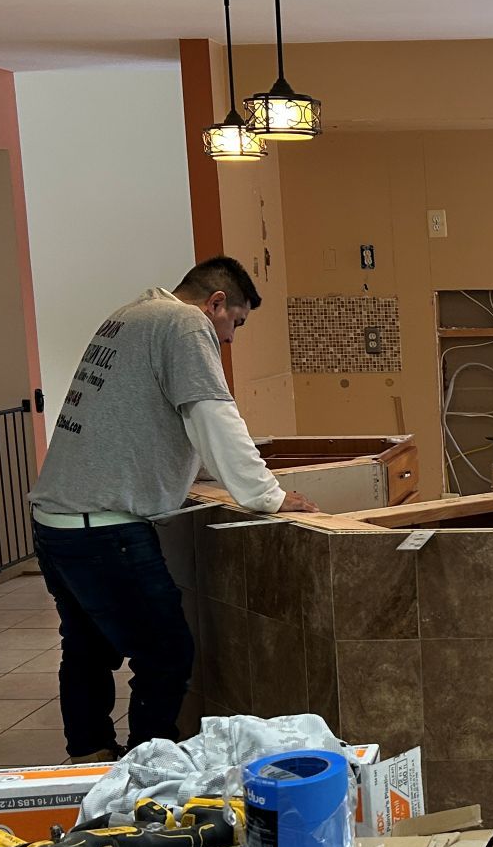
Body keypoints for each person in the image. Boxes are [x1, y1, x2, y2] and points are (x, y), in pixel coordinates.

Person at [27, 257, 318, 762]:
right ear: (217, 303)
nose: (229, 340)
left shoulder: (131, 316)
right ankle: (147, 772)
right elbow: (212, 414)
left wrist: (199, 472)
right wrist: (267, 495)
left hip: (58, 523)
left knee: (87, 648)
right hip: (106, 530)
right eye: (235, 326)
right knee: (165, 654)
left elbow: (145, 423)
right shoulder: (186, 324)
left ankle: (89, 756)